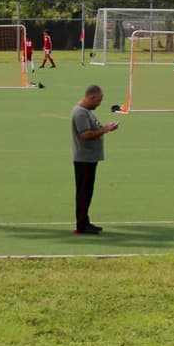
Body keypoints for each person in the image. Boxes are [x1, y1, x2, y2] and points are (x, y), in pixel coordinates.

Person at [71, 85, 118, 235]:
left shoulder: (86, 112)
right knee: (84, 193)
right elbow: (85, 135)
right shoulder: (80, 113)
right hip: (84, 159)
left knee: (87, 192)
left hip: (89, 158)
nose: (99, 103)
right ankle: (81, 226)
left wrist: (106, 127)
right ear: (91, 98)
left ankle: (85, 222)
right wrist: (105, 130)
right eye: (98, 100)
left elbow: (93, 130)